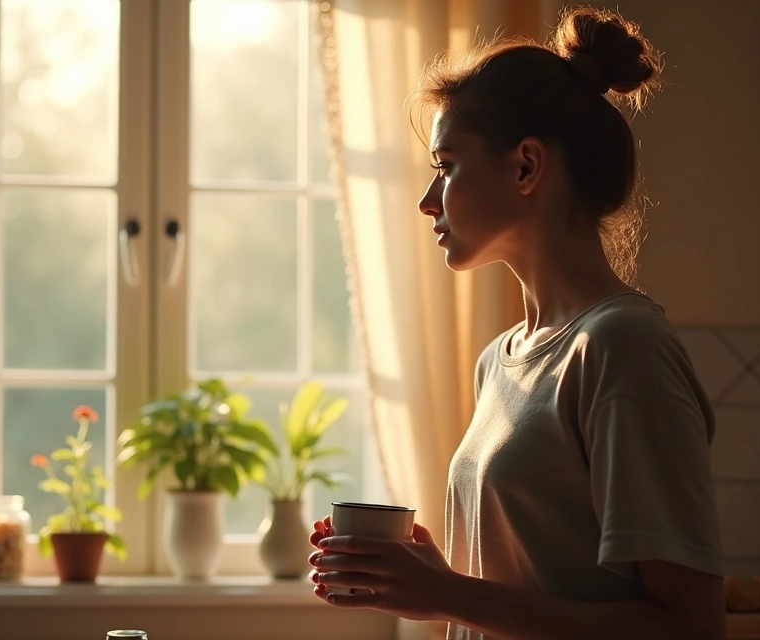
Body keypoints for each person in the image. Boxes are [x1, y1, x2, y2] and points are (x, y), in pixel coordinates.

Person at [308, 5, 725, 639]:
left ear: (526, 166)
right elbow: (526, 591)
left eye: (446, 167)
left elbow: (688, 628)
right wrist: (434, 585)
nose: (428, 201)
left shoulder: (621, 347)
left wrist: (450, 593)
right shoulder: (497, 361)